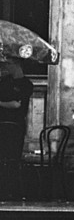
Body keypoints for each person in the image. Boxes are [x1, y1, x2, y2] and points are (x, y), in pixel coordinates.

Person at [0, 58, 34, 200]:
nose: (6, 66)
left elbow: (17, 105)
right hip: (2, 123)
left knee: (13, 157)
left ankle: (13, 191)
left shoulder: (26, 84)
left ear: (17, 65)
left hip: (15, 124)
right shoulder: (4, 81)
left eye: (9, 64)